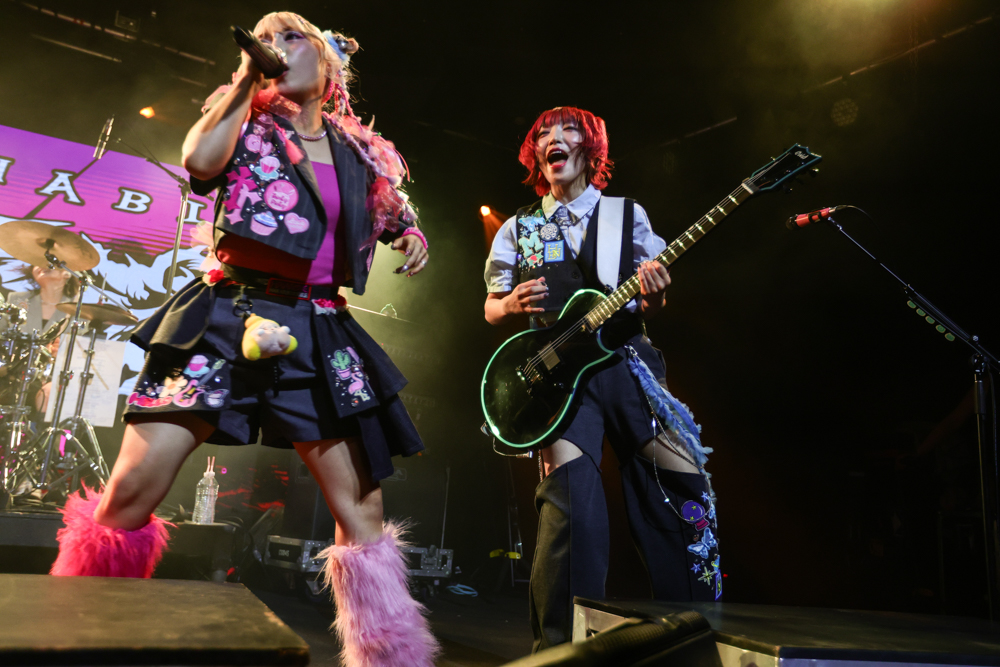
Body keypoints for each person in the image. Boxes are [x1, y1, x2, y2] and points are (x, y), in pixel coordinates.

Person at [49, 12, 438, 666]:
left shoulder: (356, 151)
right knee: (130, 491)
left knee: (362, 513)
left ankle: (391, 657)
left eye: (291, 36)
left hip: (317, 325)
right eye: (267, 38)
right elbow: (199, 161)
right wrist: (245, 82)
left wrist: (412, 230)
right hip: (227, 314)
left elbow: (388, 205)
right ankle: (70, 640)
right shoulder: (248, 121)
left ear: (328, 63)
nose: (275, 46)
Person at [484, 107, 721, 651]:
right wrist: (510, 304)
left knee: (681, 489)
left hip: (627, 364)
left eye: (567, 130)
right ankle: (560, 652)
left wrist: (655, 295)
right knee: (569, 508)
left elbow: (652, 305)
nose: (554, 138)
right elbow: (491, 308)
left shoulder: (625, 215)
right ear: (536, 154)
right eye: (544, 133)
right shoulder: (520, 226)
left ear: (590, 149)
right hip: (561, 381)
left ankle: (692, 639)